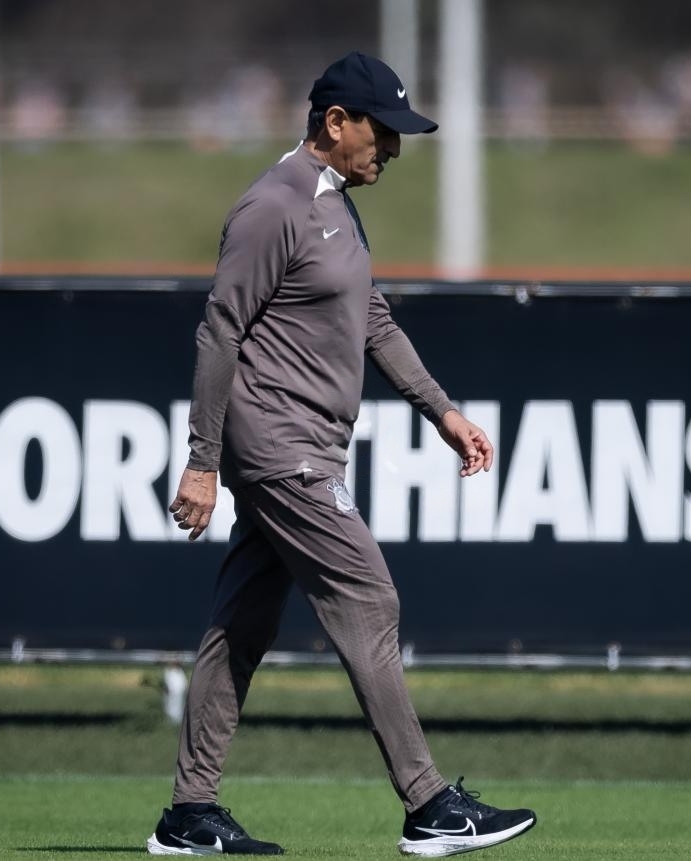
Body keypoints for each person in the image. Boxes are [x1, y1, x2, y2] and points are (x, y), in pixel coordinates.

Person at [146, 52, 537, 857]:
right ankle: (429, 803)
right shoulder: (274, 205)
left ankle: (188, 813)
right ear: (335, 123)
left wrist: (443, 410)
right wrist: (201, 458)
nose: (391, 148)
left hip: (309, 445)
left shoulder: (336, 204)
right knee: (370, 598)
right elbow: (219, 331)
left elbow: (374, 319)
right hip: (281, 447)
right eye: (382, 131)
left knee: (240, 624)